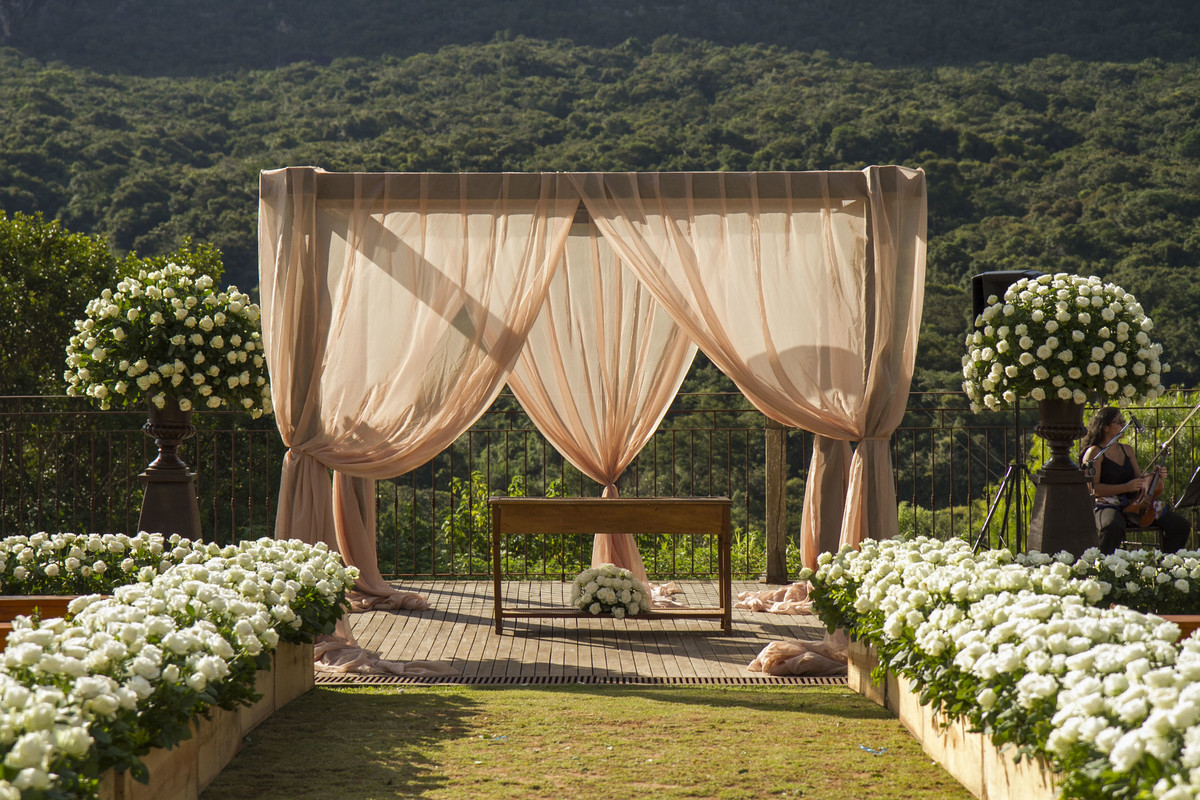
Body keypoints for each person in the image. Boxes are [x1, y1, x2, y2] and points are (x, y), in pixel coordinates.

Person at [1080, 406, 1190, 554]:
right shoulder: (1094, 452)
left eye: (1123, 421)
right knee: (1112, 526)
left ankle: (1165, 563)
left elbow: (1139, 479)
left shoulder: (1127, 450)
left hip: (1134, 503)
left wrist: (1155, 476)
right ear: (1105, 427)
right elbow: (1093, 489)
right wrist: (1125, 487)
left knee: (1180, 525)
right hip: (1107, 504)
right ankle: (1104, 565)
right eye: (1119, 422)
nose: (1124, 425)